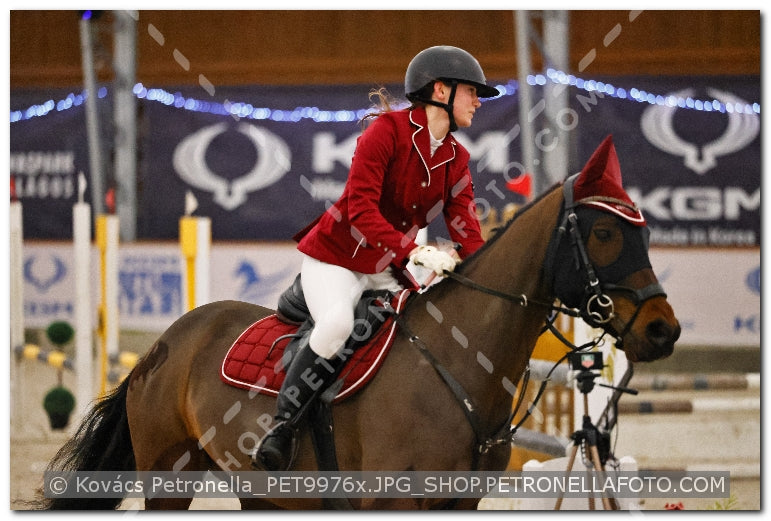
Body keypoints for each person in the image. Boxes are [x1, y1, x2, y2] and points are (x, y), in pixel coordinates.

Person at [252, 45, 499, 471]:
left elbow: (465, 231)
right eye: (472, 92)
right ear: (441, 90)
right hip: (336, 257)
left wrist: (487, 277)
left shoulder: (456, 158)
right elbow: (361, 210)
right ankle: (283, 428)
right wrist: (415, 250)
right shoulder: (385, 132)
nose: (478, 101)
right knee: (336, 325)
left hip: (386, 268)